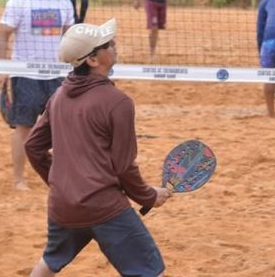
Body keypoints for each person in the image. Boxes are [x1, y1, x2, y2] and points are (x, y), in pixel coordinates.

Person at [25, 19, 172, 277]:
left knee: (49, 262)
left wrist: (62, 182)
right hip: (104, 207)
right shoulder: (118, 102)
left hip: (63, 205)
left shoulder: (58, 96)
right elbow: (124, 166)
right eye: (108, 44)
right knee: (151, 272)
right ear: (93, 60)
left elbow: (33, 146)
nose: (114, 46)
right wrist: (149, 196)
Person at [0, 0, 76, 190]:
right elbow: (2, 33)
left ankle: (63, 176)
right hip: (26, 74)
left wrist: (75, 69)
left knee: (63, 129)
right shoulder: (19, 1)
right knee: (24, 127)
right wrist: (2, 68)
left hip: (57, 74)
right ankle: (19, 179)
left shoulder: (63, 1)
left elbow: (71, 36)